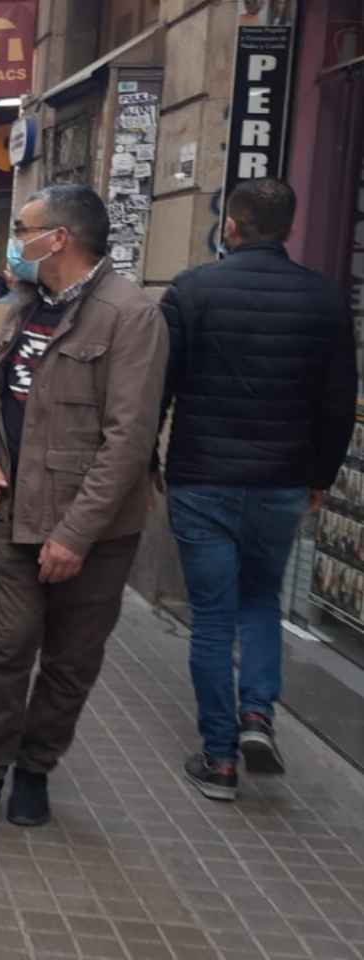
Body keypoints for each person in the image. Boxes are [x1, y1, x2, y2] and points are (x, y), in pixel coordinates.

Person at [0, 185, 168, 831]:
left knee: (71, 660)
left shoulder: (133, 316)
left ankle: (35, 768)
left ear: (60, 238)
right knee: (3, 647)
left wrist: (75, 534)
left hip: (95, 531)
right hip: (15, 511)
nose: (15, 240)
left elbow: (129, 440)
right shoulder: (24, 308)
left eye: (24, 228)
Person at [159, 179, 357, 800]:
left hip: (203, 479)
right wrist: (319, 479)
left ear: (233, 225)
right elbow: (336, 403)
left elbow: (157, 384)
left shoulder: (192, 291)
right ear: (289, 229)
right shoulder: (325, 299)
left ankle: (219, 758)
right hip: (281, 482)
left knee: (213, 617)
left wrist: (147, 458)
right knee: (261, 599)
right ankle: (256, 716)